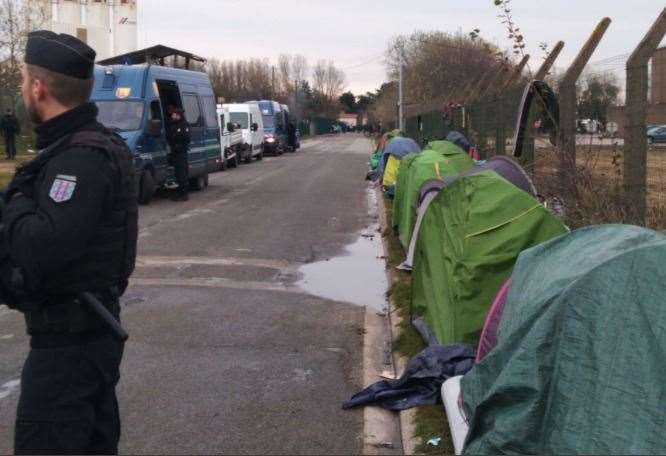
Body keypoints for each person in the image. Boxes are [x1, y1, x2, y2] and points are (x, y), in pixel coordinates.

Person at [0, 31, 138, 454]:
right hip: (84, 340)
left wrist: (17, 200)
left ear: (38, 89)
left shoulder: (79, 159)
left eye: (24, 82)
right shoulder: (79, 148)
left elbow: (44, 247)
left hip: (70, 346)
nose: (23, 90)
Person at [166, 106, 190, 201]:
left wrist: (178, 146)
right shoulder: (174, 124)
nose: (172, 116)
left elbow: (186, 139)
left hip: (181, 153)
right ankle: (180, 193)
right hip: (175, 153)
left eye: (174, 114)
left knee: (182, 174)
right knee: (177, 174)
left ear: (178, 115)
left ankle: (184, 195)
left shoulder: (184, 125)